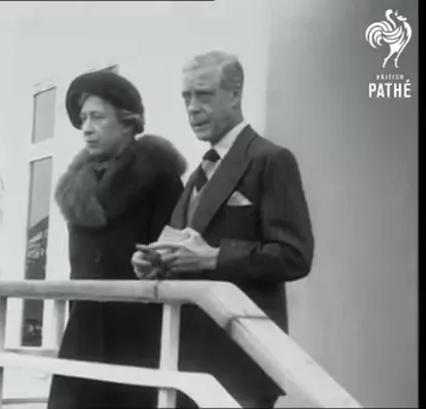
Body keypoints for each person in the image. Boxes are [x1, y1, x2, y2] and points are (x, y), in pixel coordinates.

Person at [131, 51, 315, 408]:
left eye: (204, 95)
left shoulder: (270, 160)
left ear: (235, 95)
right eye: (186, 97)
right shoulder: (201, 171)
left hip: (239, 361)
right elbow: (188, 250)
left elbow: (295, 256)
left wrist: (214, 258)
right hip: (187, 360)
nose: (192, 108)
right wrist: (159, 262)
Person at [48, 68, 186, 409]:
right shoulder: (77, 187)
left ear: (128, 121)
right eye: (83, 118)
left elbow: (173, 259)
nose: (87, 128)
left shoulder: (160, 180)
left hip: (139, 339)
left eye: (97, 117)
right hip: (83, 334)